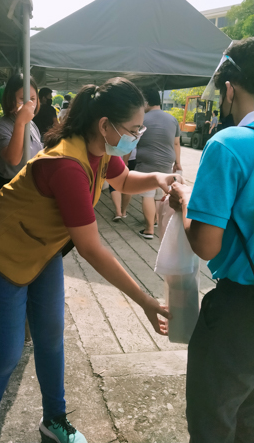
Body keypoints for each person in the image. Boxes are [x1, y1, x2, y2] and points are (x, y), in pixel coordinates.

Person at [0, 77, 182, 443]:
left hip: (42, 248)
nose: (136, 136)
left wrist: (160, 177)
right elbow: (91, 248)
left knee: (50, 337)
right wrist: (145, 300)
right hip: (2, 250)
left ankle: (55, 419)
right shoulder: (66, 165)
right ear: (105, 125)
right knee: (7, 351)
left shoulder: (100, 150)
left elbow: (124, 181)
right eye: (132, 129)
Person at [169, 37, 254, 443]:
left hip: (241, 312)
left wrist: (183, 203)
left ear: (230, 88)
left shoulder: (230, 144)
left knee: (214, 421)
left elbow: (206, 245)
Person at [135, 87, 182, 239]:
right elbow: (176, 144)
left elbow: (132, 142)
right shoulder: (172, 119)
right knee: (159, 193)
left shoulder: (142, 119)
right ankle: (157, 222)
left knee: (147, 194)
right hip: (166, 161)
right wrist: (178, 163)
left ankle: (149, 229)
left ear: (147, 102)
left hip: (147, 160)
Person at [0, 73, 43, 197]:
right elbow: (13, 160)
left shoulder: (32, 125)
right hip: (11, 189)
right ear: (11, 99)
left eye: (33, 99)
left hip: (31, 186)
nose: (29, 104)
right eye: (23, 99)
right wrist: (20, 122)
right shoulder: (1, 126)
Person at [109, 151, 137, 221]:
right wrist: (125, 160)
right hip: (131, 158)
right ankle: (123, 211)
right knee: (128, 185)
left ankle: (118, 212)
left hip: (114, 157)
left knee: (114, 184)